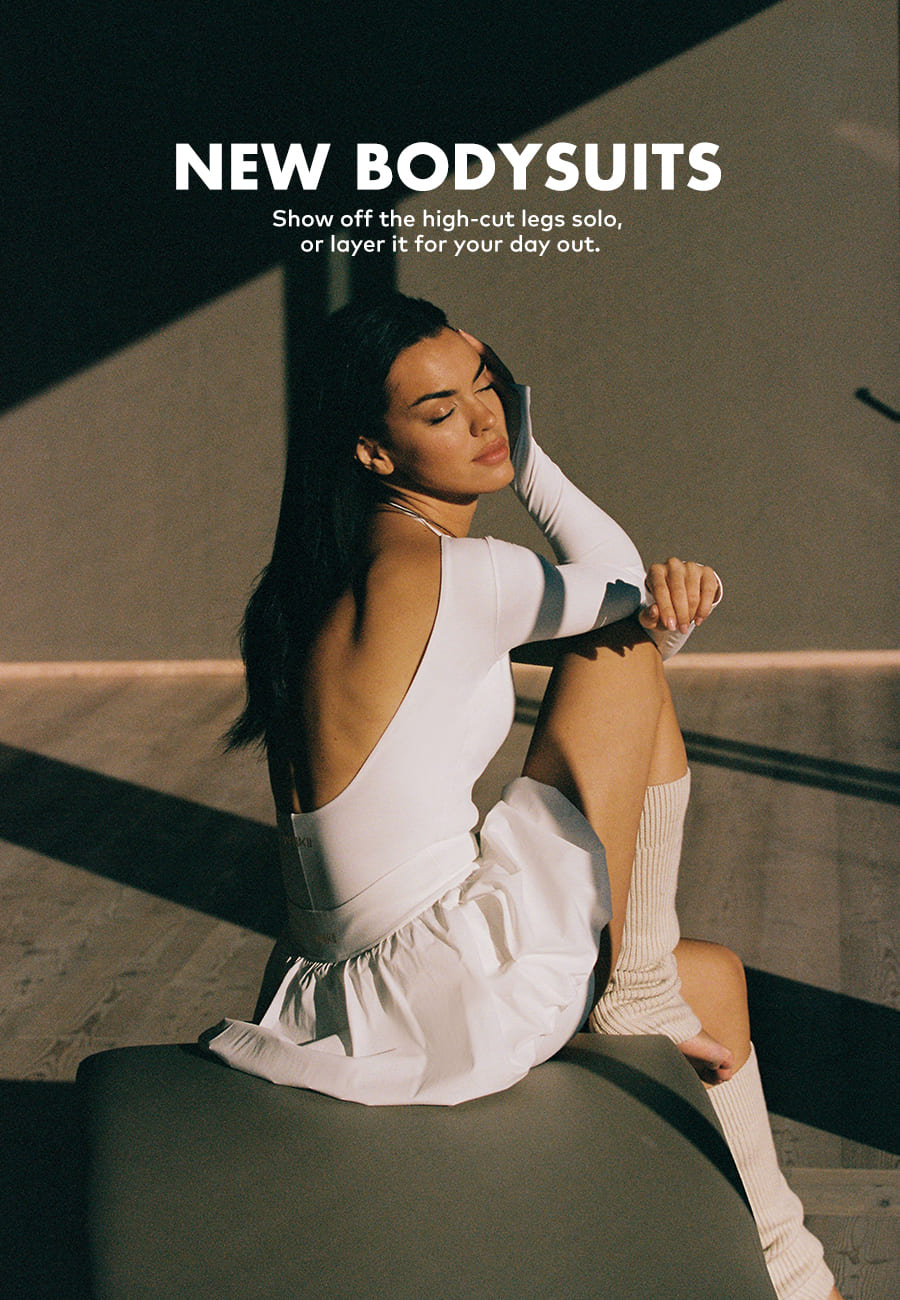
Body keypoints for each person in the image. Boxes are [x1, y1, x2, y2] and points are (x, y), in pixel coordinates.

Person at [204, 294, 838, 1300]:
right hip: (436, 992)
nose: (483, 420)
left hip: (338, 992)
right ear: (373, 450)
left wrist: (652, 634)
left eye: (488, 389)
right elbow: (625, 598)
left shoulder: (336, 570)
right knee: (619, 649)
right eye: (440, 411)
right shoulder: (455, 570)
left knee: (714, 980)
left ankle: (796, 1279)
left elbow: (631, 653)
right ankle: (641, 992)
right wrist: (535, 462)